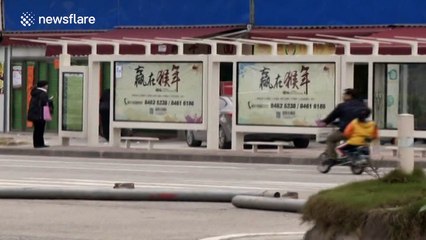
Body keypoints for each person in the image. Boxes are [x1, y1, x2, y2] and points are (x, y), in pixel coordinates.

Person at [316, 88, 367, 161]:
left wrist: (324, 122)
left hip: (347, 131)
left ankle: (332, 158)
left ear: (349, 96)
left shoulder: (342, 106)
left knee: (330, 139)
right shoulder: (363, 105)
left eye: (344, 95)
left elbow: (332, 117)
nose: (343, 96)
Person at [27, 80, 53, 148]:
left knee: (36, 130)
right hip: (40, 114)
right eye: (46, 85)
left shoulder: (35, 93)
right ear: (44, 86)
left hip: (35, 114)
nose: (47, 86)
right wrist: (50, 101)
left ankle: (36, 144)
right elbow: (45, 104)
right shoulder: (43, 93)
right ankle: (40, 144)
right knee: (40, 130)